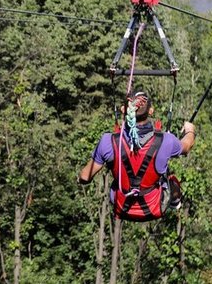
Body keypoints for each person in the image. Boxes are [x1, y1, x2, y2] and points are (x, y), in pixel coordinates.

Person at [78, 90, 196, 221]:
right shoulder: (166, 141)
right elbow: (187, 146)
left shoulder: (108, 141)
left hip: (121, 206)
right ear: (151, 111)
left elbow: (84, 177)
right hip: (154, 207)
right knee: (171, 180)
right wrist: (190, 130)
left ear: (124, 110)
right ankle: (174, 201)